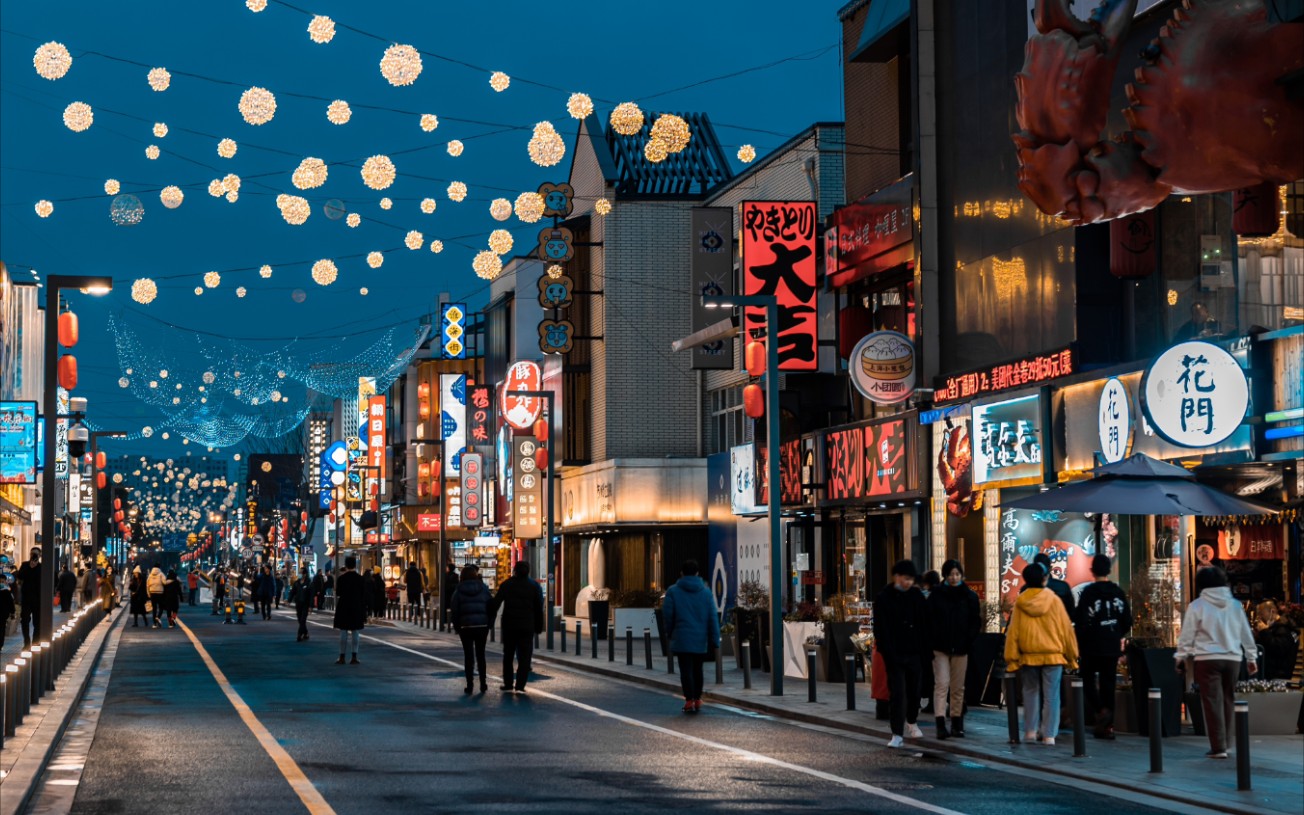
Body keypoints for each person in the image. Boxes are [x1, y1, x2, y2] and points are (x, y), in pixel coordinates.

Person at [1175, 567, 1258, 759]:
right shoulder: (1236, 606)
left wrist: (1181, 657)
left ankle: (1218, 746)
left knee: (1212, 701)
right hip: (1233, 658)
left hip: (1207, 658)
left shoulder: (1197, 606)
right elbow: (1245, 633)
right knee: (1228, 698)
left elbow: (1187, 635)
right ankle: (1227, 743)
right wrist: (1251, 657)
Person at [1006, 563, 1079, 746]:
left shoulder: (1021, 602)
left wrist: (1011, 658)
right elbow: (1066, 630)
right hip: (1053, 655)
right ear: (1045, 579)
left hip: (1029, 654)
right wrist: (1072, 656)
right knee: (1052, 695)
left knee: (1030, 692)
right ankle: (1049, 735)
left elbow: (1013, 632)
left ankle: (1030, 731)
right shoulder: (1054, 600)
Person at [1074, 554, 1132, 739]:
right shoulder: (1118, 592)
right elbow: (1127, 620)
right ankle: (1109, 726)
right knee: (1109, 683)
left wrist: (1082, 641)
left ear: (1092, 571)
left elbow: (1081, 620)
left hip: (1091, 646)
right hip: (1111, 645)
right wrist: (1115, 634)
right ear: (1108, 570)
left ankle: (1100, 711)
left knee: (1086, 679)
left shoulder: (1089, 593)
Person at [873, 559, 928, 748]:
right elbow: (880, 627)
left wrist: (924, 649)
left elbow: (924, 623)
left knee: (915, 690)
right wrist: (886, 650)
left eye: (911, 579)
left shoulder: (917, 596)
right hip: (894, 653)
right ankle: (897, 733)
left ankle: (911, 720)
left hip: (914, 652)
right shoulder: (884, 597)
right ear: (896, 577)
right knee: (897, 692)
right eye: (905, 578)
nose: (908, 583)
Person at [928, 559, 981, 739]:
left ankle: (957, 724)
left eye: (957, 574)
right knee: (942, 684)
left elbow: (975, 621)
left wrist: (968, 640)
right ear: (945, 575)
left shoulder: (969, 596)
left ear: (961, 575)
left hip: (961, 647)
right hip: (939, 647)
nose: (954, 577)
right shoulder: (936, 595)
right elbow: (929, 619)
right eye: (950, 574)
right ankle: (940, 723)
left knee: (958, 687)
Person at [661, 560, 720, 714]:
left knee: (685, 669)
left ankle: (689, 699)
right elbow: (712, 617)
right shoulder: (706, 592)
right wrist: (715, 638)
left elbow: (667, 615)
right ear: (697, 573)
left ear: (681, 573)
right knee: (698, 668)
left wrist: (669, 631)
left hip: (681, 636)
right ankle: (698, 698)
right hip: (700, 638)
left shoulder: (673, 591)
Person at [489, 561, 545, 693]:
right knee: (525, 656)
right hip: (527, 625)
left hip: (510, 625)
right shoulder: (534, 586)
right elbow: (538, 608)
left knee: (508, 655)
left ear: (515, 571)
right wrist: (539, 626)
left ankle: (508, 683)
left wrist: (489, 619)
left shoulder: (507, 584)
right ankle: (520, 685)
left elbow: (495, 603)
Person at [450, 564, 492, 694]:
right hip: (481, 626)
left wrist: (457, 626)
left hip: (466, 626)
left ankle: (470, 685)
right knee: (481, 655)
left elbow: (454, 609)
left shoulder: (459, 590)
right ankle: (483, 683)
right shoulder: (483, 588)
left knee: (468, 656)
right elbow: (491, 606)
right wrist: (489, 623)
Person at [333, 556, 366, 664]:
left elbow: (338, 593)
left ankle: (342, 656)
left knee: (343, 631)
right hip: (356, 606)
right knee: (355, 631)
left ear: (346, 565)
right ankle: (354, 656)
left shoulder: (342, 579)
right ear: (355, 565)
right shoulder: (360, 579)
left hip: (344, 606)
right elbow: (363, 594)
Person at [1030, 552, 1076, 618]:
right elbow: (1071, 613)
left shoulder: (1026, 589)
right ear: (1050, 568)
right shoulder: (1063, 587)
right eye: (1057, 571)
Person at [16, 547, 42, 648]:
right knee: (25, 620)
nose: (33, 556)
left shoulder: (41, 567)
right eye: (32, 554)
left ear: (39, 555)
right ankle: (26, 642)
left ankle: (35, 641)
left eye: (36, 554)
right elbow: (20, 576)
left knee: (37, 622)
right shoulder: (25, 565)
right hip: (26, 598)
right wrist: (29, 567)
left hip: (38, 598)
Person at [291, 566, 312, 642]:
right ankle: (306, 633)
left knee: (303, 620)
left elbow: (311, 595)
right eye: (299, 572)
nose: (299, 574)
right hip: (298, 604)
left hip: (305, 604)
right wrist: (288, 600)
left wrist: (310, 606)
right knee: (300, 620)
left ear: (305, 574)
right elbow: (293, 592)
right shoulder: (297, 583)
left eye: (300, 572)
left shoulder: (309, 583)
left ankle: (299, 635)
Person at [442, 562, 460, 627]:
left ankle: (445, 620)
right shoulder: (456, 575)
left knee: (445, 607)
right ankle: (451, 620)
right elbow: (457, 584)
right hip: (452, 593)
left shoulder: (445, 575)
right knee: (452, 607)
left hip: (446, 593)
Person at [0, 575, 15, 655]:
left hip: (3, 614)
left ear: (5, 582)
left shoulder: (7, 591)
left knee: (2, 629)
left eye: (3, 581)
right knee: (1, 629)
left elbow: (10, 603)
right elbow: (11, 603)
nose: (1, 583)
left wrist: (12, 612)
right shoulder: (7, 591)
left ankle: (0, 645)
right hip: (3, 613)